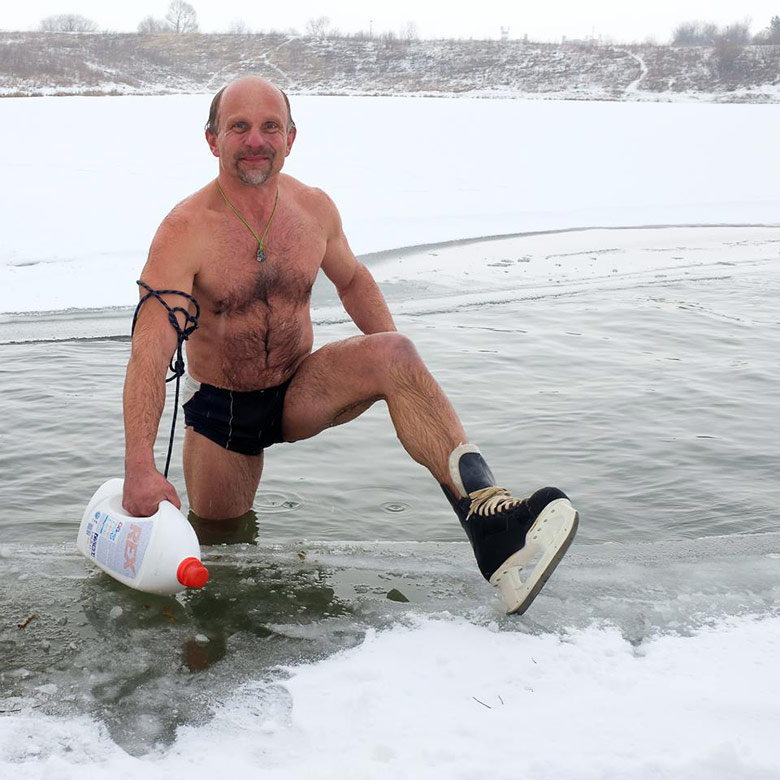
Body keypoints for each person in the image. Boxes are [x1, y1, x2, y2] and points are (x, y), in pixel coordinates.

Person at [122, 76, 578, 614]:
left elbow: (354, 280)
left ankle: (494, 527)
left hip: (299, 387)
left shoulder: (313, 210)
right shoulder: (186, 229)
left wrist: (398, 368)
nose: (256, 141)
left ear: (291, 138)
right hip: (224, 409)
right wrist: (140, 467)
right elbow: (150, 349)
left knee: (394, 354)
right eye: (239, 127)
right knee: (220, 551)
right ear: (212, 140)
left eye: (270, 126)